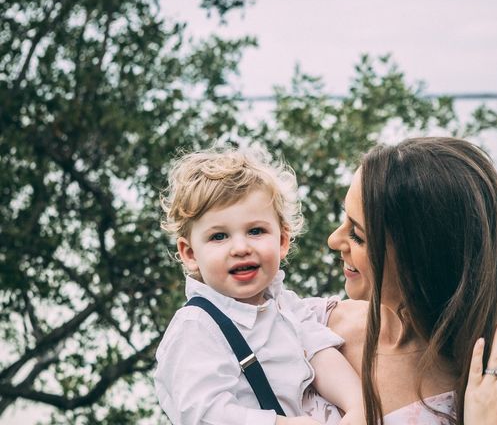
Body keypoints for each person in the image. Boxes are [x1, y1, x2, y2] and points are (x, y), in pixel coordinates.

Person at [311, 136, 497, 425]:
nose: (334, 240)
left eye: (357, 235)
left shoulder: (491, 406)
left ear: (418, 260)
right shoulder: (309, 325)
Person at [154, 146, 365, 425]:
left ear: (282, 241)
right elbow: (201, 411)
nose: (240, 248)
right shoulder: (196, 326)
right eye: (219, 236)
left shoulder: (284, 304)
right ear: (190, 254)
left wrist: (358, 405)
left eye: (256, 231)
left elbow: (319, 354)